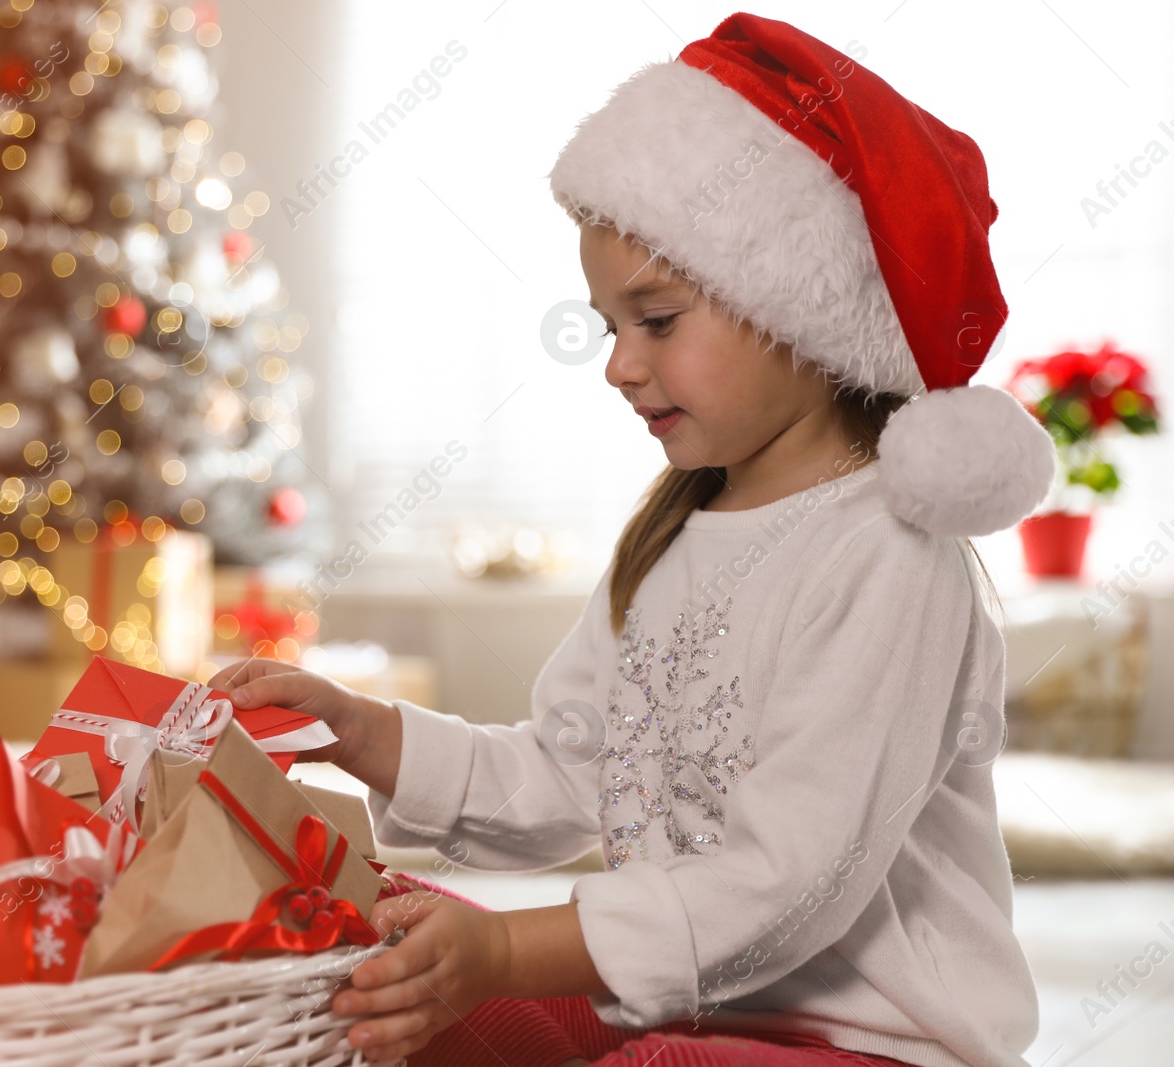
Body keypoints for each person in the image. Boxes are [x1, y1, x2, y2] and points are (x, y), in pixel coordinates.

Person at [210, 12, 1053, 1067]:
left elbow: (788, 884)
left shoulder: (887, 555)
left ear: (798, 307)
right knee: (372, 942)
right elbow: (568, 778)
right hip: (677, 1013)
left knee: (622, 1050)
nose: (617, 363)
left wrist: (510, 952)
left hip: (870, 1042)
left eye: (655, 320)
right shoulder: (671, 533)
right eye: (611, 327)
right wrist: (364, 730)